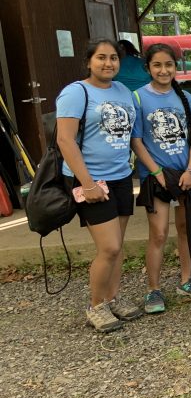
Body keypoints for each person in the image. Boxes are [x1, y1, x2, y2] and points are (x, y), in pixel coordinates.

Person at [56, 39, 140, 332]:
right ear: (89, 61)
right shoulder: (75, 92)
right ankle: (96, 306)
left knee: (117, 248)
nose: (108, 63)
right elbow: (64, 139)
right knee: (109, 247)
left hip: (120, 176)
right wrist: (88, 183)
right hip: (92, 181)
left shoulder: (123, 91)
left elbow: (130, 134)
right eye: (101, 58)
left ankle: (113, 297)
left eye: (114, 58)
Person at [131, 43, 191, 314]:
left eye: (169, 65)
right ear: (148, 68)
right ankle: (153, 289)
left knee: (186, 227)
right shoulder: (138, 98)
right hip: (156, 177)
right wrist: (155, 172)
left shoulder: (185, 98)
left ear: (176, 67)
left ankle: (187, 280)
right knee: (159, 233)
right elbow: (137, 141)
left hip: (186, 174)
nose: (164, 70)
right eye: (157, 65)